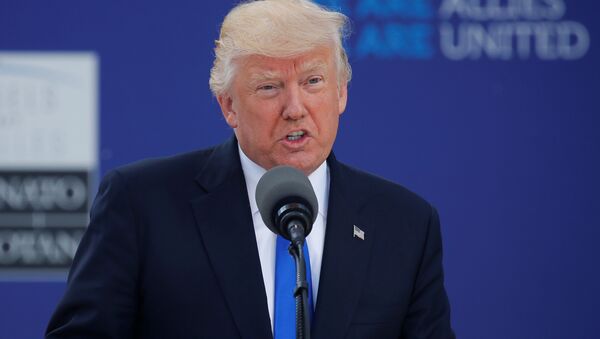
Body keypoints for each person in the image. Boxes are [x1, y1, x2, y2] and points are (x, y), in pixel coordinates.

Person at [46, 0, 455, 338]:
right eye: (269, 87)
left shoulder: (405, 224)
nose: (295, 109)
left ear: (341, 91)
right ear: (228, 106)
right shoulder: (141, 206)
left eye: (313, 81)